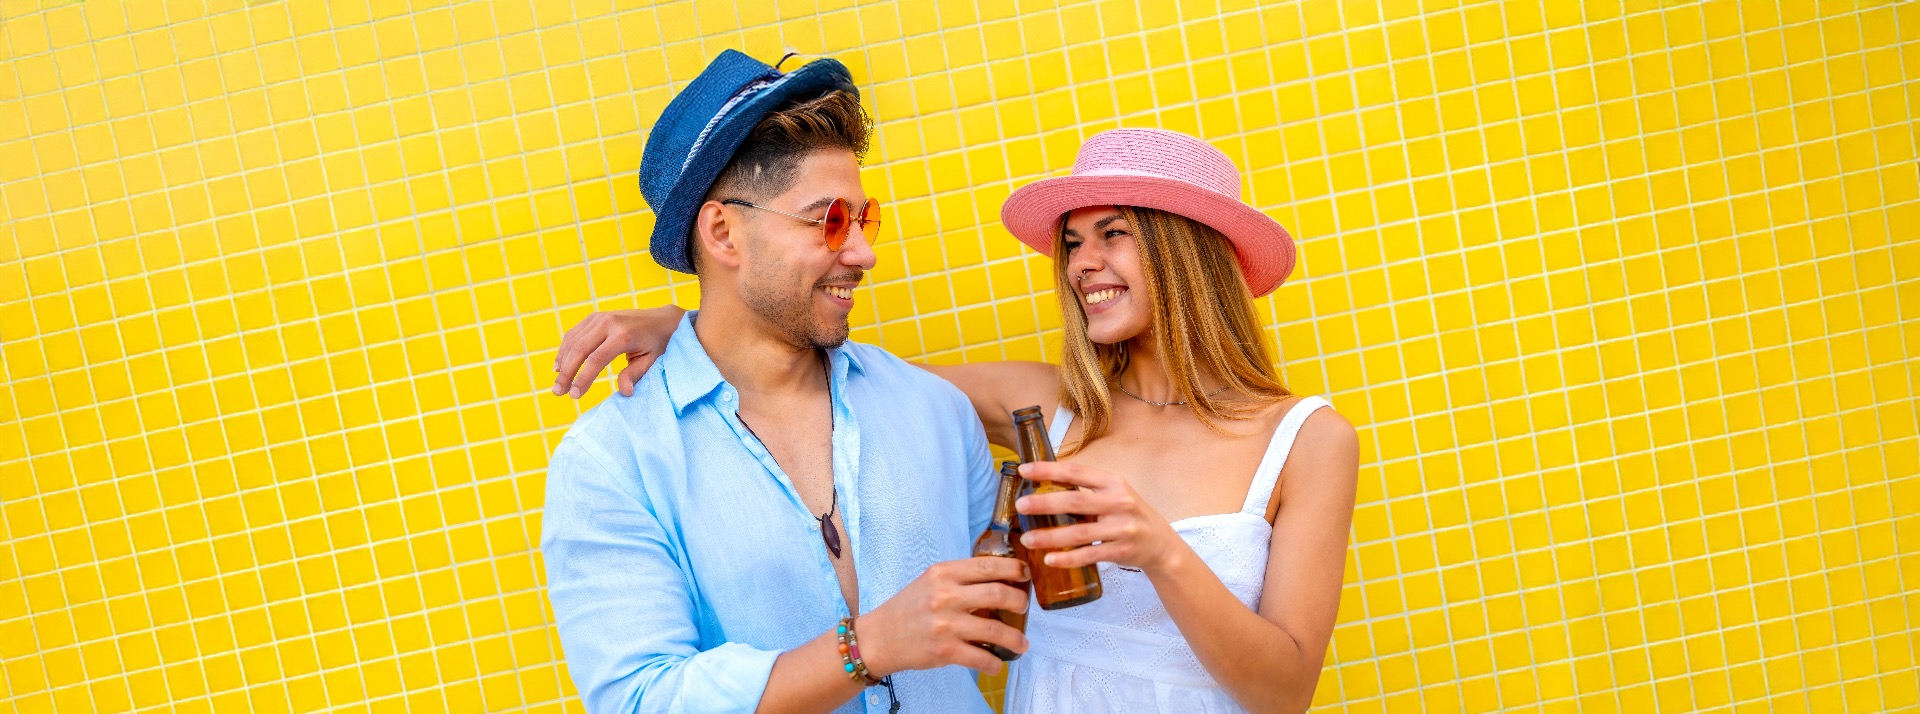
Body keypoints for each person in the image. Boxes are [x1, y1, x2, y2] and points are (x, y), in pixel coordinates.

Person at [554, 129, 1360, 712]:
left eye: (1114, 235)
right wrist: (694, 325)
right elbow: (822, 378)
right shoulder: (1054, 406)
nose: (1082, 264)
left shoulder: (1305, 439)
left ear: (1188, 254)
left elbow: (1284, 690)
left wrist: (1159, 551)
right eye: (1073, 243)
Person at [540, 50, 1029, 714]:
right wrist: (870, 645)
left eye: (865, 220)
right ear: (723, 232)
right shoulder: (615, 462)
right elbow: (641, 699)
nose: (862, 253)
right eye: (828, 221)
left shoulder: (933, 409)